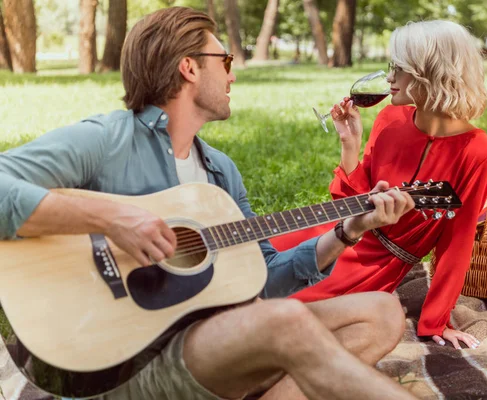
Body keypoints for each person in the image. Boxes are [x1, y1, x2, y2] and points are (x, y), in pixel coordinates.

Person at [0, 7, 418, 400]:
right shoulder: (109, 140)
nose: (233, 77)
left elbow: (266, 279)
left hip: (206, 346)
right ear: (189, 67)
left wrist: (349, 229)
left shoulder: (220, 172)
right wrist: (111, 218)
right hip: (115, 363)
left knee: (381, 312)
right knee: (284, 321)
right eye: (226, 62)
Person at [278, 20, 487, 350]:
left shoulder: (480, 153)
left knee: (278, 306)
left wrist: (435, 321)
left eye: (400, 68)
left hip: (374, 267)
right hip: (338, 234)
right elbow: (350, 201)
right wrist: (350, 144)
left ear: (432, 72)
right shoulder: (388, 120)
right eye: (391, 66)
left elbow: (457, 241)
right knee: (253, 256)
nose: (389, 78)